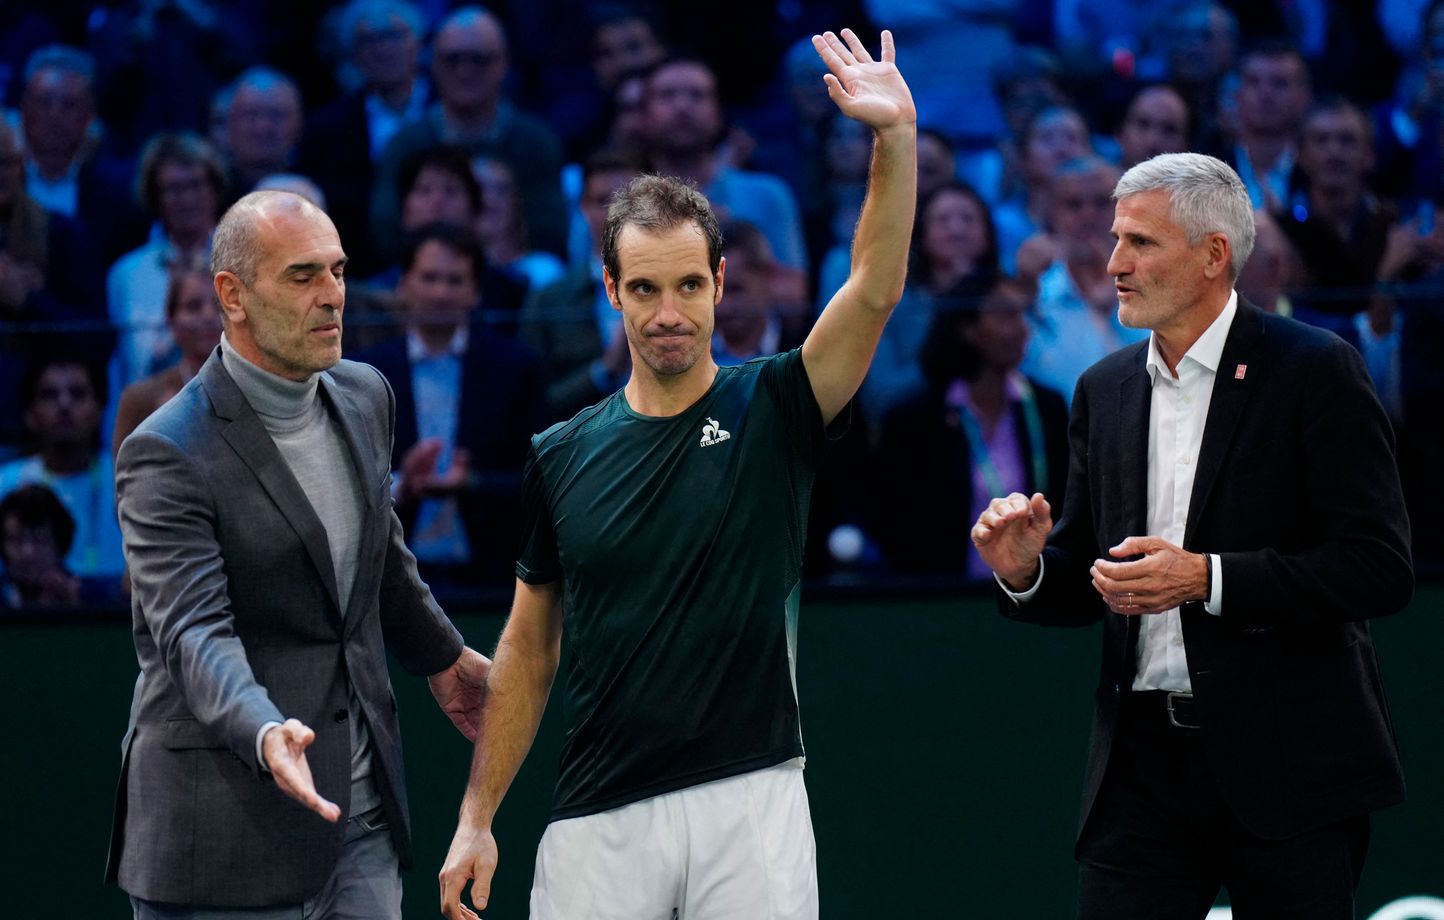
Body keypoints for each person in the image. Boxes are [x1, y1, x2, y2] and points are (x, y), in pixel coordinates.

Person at [438, 28, 916, 919]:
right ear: (611, 288)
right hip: (596, 820)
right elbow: (529, 647)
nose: (669, 313)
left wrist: (894, 140)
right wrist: (476, 817)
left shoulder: (777, 405)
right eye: (647, 289)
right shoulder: (560, 453)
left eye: (689, 287)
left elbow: (874, 288)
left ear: (721, 283)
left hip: (755, 801)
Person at [971, 152, 1413, 919]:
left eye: (1140, 243)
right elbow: (1097, 576)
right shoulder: (1103, 389)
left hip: (1290, 766)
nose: (1114, 263)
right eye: (1115, 240)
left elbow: (1377, 568)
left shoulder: (1316, 370)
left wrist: (1207, 580)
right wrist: (1029, 573)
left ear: (1214, 255)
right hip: (1140, 771)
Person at [105, 190, 491, 918]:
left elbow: (380, 556)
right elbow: (191, 633)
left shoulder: (364, 393)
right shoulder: (165, 450)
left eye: (339, 272)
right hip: (222, 830)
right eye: (304, 276)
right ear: (233, 295)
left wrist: (445, 657)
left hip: (362, 816)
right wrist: (263, 728)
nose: (333, 297)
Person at [355, 222, 545, 588]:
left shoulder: (516, 367)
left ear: (475, 291)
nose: (441, 293)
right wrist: (402, 486)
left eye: (455, 280)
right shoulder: (367, 372)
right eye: (429, 278)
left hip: (492, 576)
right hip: (389, 578)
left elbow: (540, 481)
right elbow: (347, 486)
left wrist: (470, 483)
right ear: (403, 285)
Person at [0, 357, 125, 581]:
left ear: (100, 410)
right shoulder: (6, 484)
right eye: (49, 395)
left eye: (78, 394)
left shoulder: (127, 477)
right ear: (30, 414)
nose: (64, 405)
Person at [111, 269, 223, 455]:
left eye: (219, 305)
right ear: (171, 321)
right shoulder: (139, 400)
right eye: (193, 306)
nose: (209, 316)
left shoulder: (255, 391)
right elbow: (125, 478)